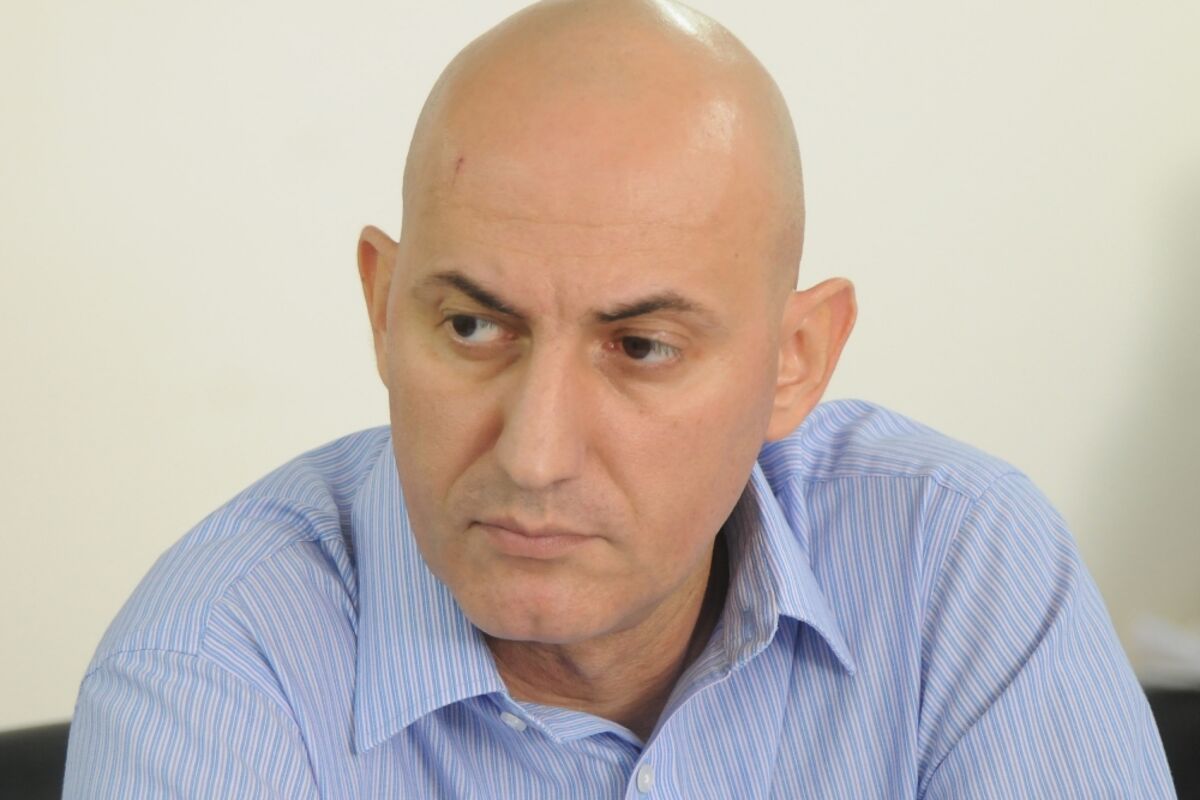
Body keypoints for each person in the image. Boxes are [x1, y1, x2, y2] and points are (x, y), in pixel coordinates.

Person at [63, 0, 1175, 797]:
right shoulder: (211, 670)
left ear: (796, 360)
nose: (534, 453)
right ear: (383, 307)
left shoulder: (958, 562)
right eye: (472, 327)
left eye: (641, 346)